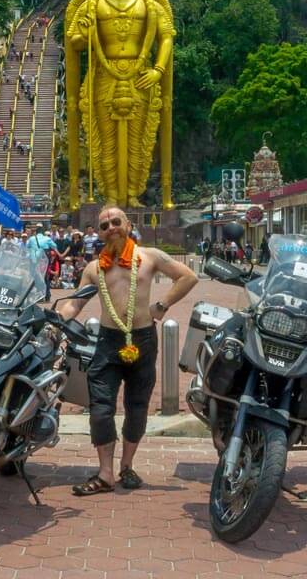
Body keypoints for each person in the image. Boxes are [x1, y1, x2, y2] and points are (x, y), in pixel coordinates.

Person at [56, 207, 197, 495]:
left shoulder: (149, 257)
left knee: (137, 406)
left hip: (143, 340)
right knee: (100, 406)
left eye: (116, 222)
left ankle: (127, 466)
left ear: (128, 224)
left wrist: (162, 305)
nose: (111, 227)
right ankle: (105, 473)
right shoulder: (94, 268)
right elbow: (76, 303)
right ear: (98, 232)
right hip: (107, 342)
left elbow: (187, 277)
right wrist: (56, 321)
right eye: (104, 224)